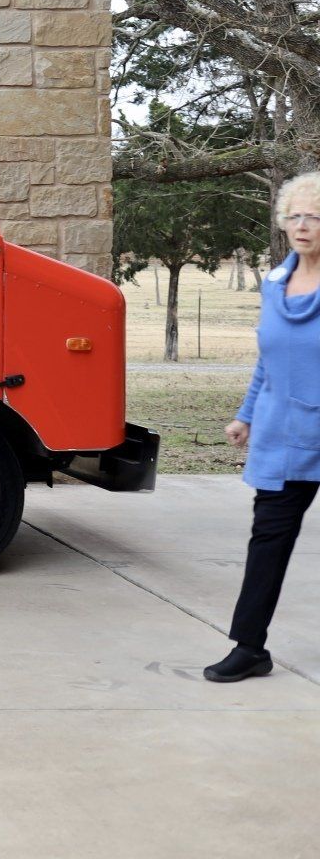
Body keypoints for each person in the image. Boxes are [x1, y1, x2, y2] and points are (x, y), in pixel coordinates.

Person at [205, 171, 320, 682]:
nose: (303, 225)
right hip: (283, 436)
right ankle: (249, 647)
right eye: (295, 216)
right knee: (267, 542)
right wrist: (246, 414)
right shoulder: (274, 284)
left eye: (314, 216)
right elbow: (267, 360)